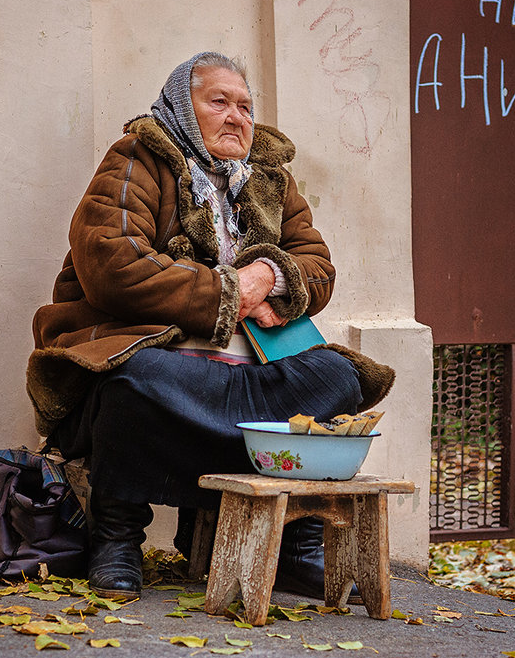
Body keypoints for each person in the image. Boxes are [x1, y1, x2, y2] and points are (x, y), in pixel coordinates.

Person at [25, 52, 394, 600]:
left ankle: (295, 547)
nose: (237, 117)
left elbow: (317, 266)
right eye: (218, 102)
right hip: (165, 360)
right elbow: (113, 264)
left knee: (337, 380)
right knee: (132, 382)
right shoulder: (138, 158)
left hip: (251, 370)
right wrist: (227, 291)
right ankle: (117, 540)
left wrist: (270, 277)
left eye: (245, 106)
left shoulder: (270, 178)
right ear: (181, 106)